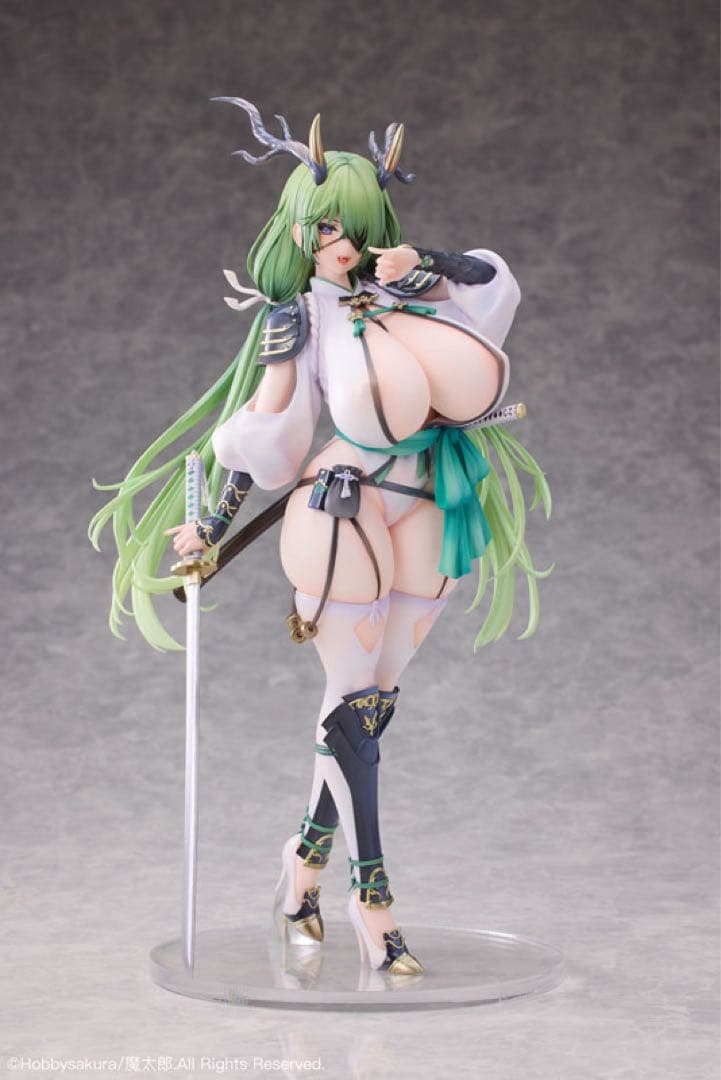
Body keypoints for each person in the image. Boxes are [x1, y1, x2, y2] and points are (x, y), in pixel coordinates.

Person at [89, 99, 551, 975]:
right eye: (329, 228)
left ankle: (301, 865)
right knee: (351, 700)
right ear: (299, 230)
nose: (345, 243)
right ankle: (370, 897)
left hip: (431, 499)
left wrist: (424, 263)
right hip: (343, 506)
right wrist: (210, 527)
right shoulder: (297, 318)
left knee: (373, 705)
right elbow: (267, 432)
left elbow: (494, 288)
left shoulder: (411, 291)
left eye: (359, 227)